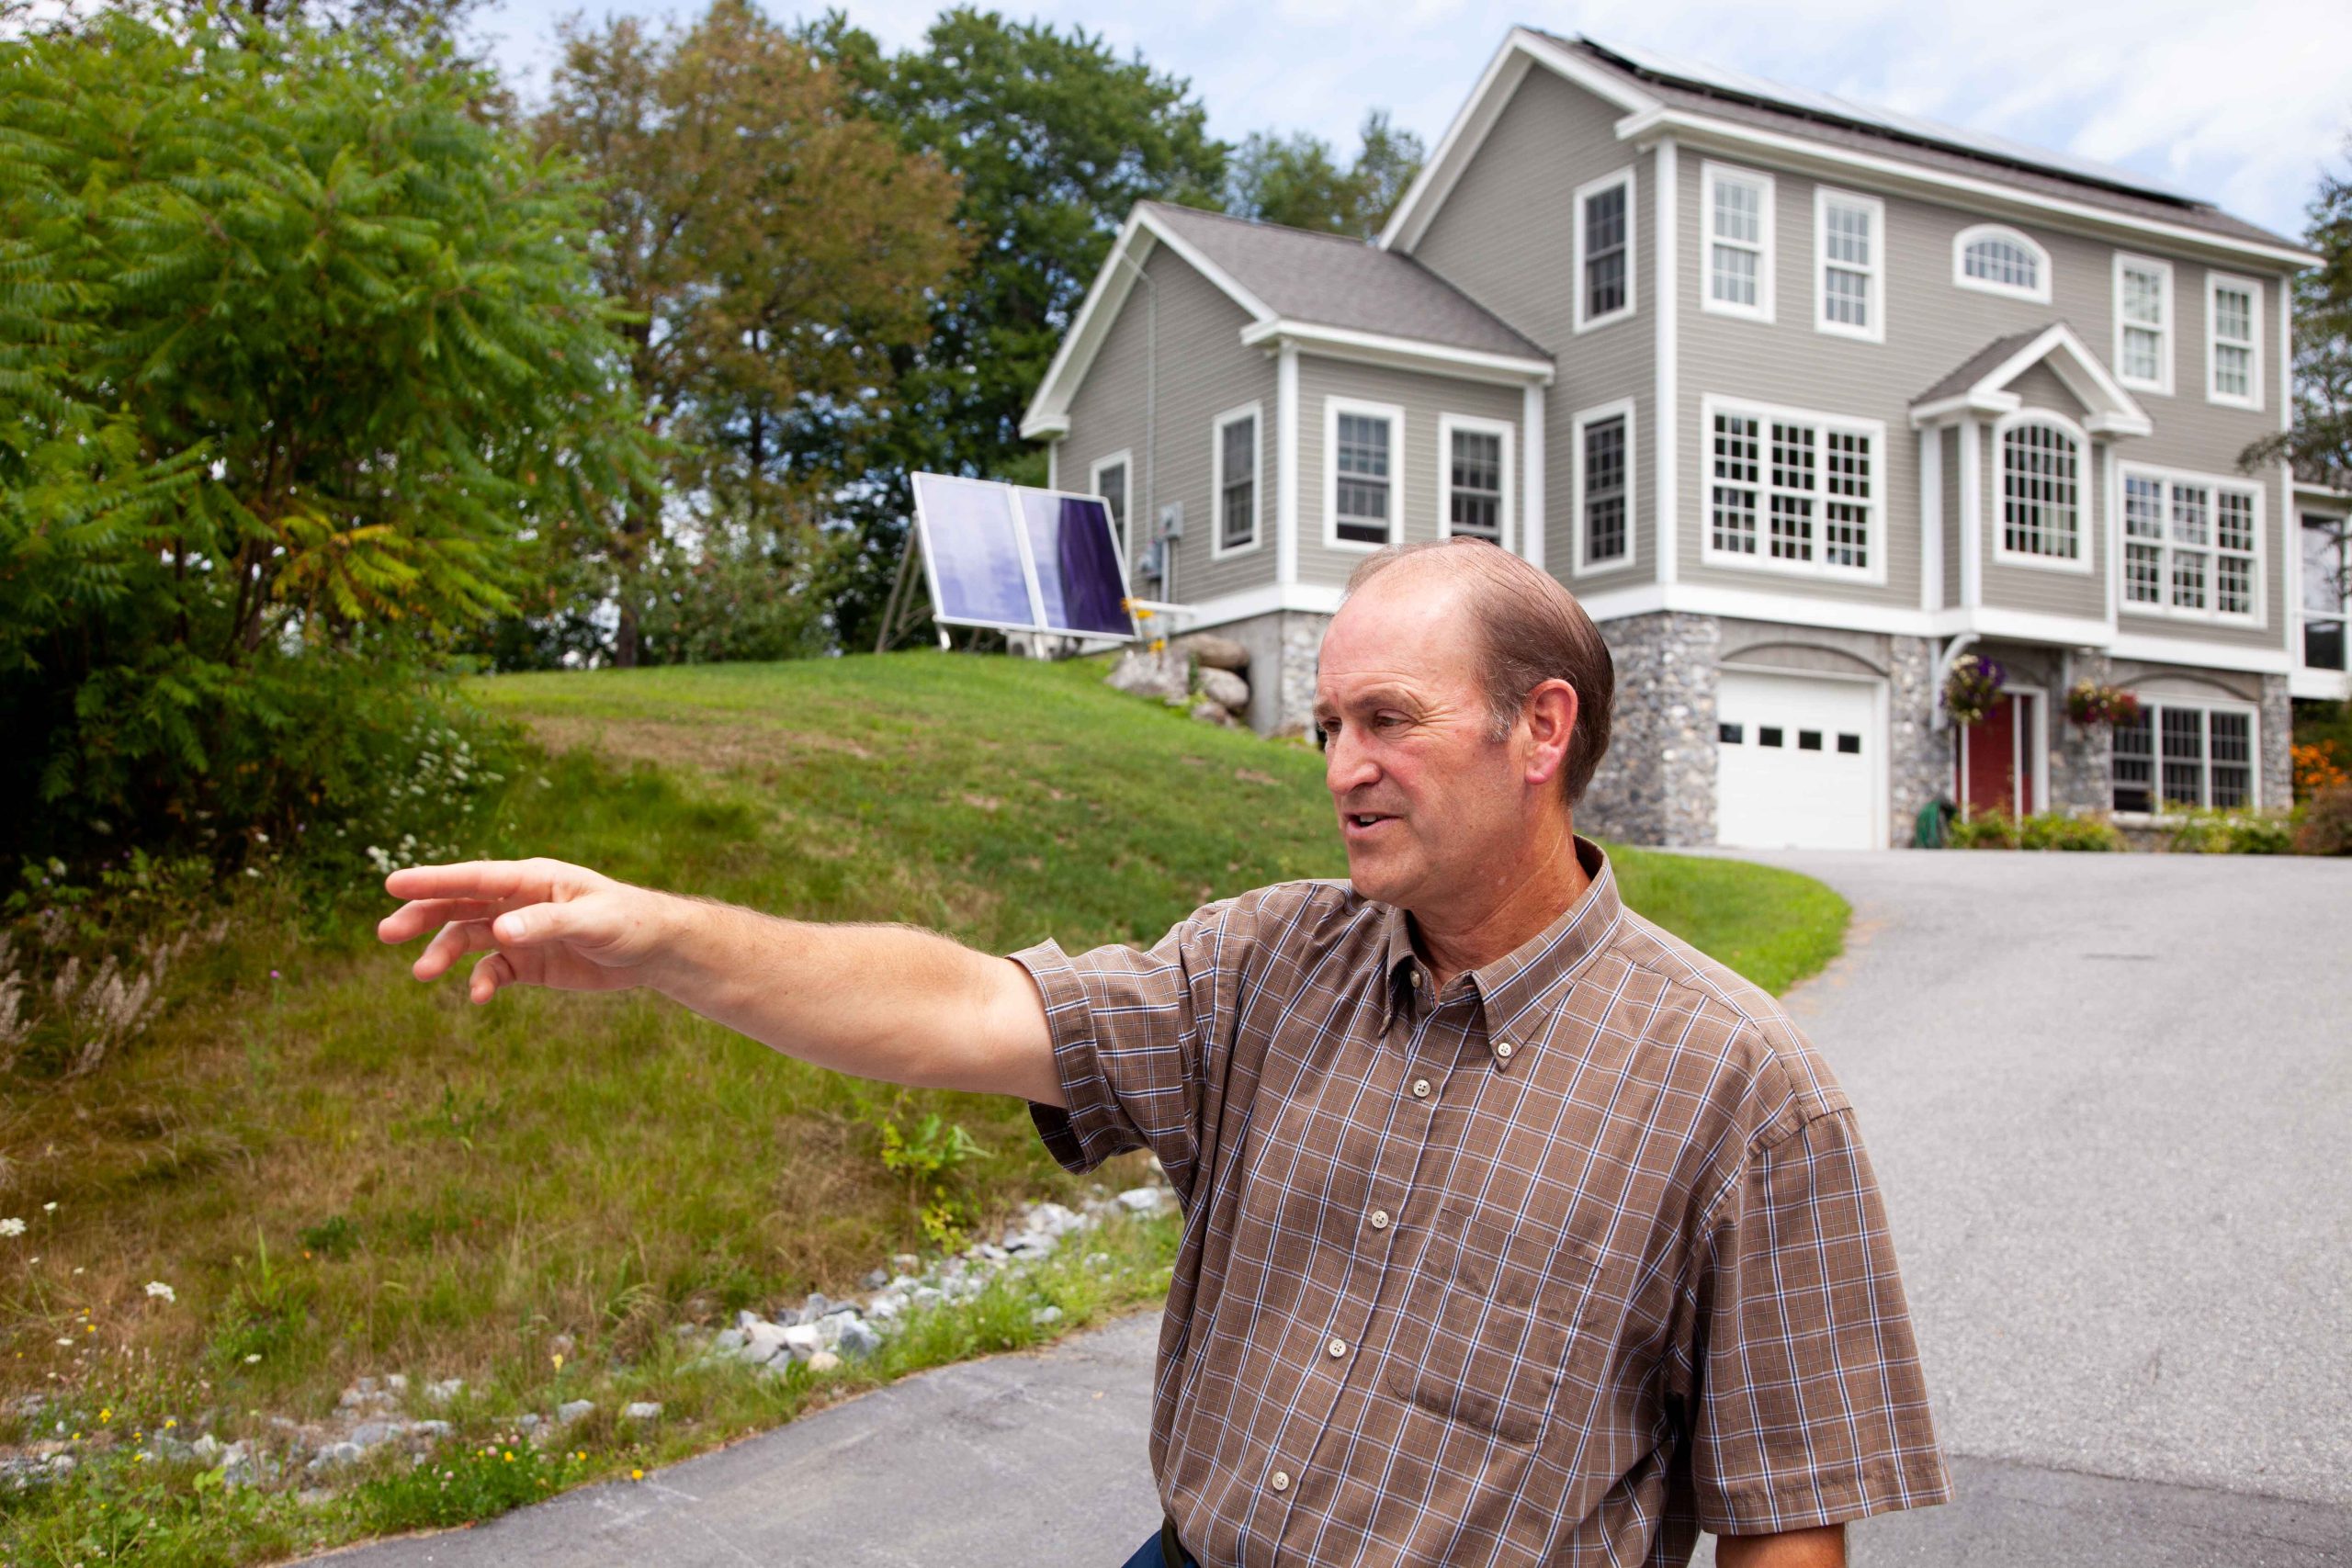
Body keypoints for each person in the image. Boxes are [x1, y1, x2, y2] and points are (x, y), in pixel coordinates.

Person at [379, 538, 1950, 1566]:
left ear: (1540, 730)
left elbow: (1787, 1517)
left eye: (1388, 720)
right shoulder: (1268, 962)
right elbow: (963, 1008)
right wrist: (663, 938)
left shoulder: (1740, 1087)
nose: (1341, 768)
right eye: (1327, 726)